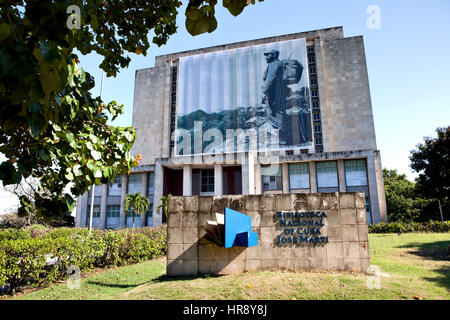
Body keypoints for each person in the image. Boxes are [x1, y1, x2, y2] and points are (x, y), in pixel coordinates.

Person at [262, 50, 287, 128]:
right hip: (278, 92)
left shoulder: (273, 64)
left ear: (274, 55)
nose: (266, 58)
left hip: (272, 93)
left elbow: (270, 78)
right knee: (278, 111)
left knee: (273, 112)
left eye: (268, 55)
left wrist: (264, 90)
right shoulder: (280, 64)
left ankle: (279, 128)